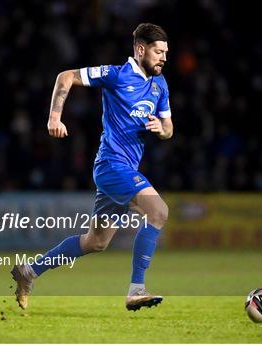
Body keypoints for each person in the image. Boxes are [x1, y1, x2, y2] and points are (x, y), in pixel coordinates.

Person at [11, 23, 173, 311]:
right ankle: (136, 289)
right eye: (158, 52)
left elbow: (169, 129)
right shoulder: (116, 75)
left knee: (95, 242)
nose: (163, 58)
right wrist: (54, 117)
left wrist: (162, 128)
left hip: (122, 170)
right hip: (112, 166)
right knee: (158, 211)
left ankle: (29, 272)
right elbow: (66, 76)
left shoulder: (160, 84)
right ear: (140, 49)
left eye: (165, 53)